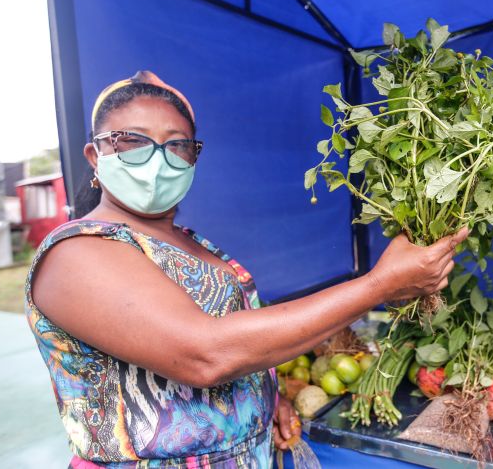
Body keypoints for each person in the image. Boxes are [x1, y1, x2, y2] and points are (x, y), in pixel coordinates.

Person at [25, 71, 468, 468]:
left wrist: (266, 399)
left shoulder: (195, 243)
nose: (158, 160)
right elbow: (205, 355)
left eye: (176, 144)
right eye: (133, 140)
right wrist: (379, 286)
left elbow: (240, 343)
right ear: (94, 155)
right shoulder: (77, 253)